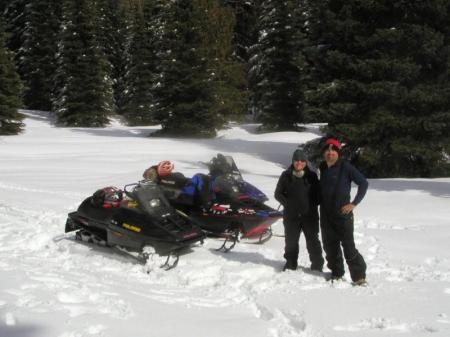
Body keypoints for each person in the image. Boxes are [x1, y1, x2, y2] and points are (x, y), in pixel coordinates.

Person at [319, 138, 368, 285]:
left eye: (333, 150)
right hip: (326, 215)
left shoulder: (345, 167)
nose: (330, 153)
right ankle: (337, 273)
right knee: (330, 246)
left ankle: (359, 277)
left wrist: (353, 203)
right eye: (327, 150)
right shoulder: (322, 167)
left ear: (338, 153)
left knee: (348, 247)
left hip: (343, 215)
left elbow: (363, 183)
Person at [275, 149, 324, 271]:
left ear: (306, 162)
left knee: (313, 241)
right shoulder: (285, 175)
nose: (299, 163)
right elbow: (278, 194)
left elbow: (318, 195)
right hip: (291, 216)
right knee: (291, 241)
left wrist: (310, 205)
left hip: (309, 215)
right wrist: (289, 204)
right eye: (297, 160)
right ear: (293, 161)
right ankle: (291, 263)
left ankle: (317, 265)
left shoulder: (312, 176)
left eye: (302, 160)